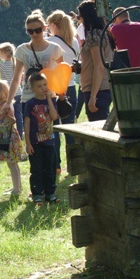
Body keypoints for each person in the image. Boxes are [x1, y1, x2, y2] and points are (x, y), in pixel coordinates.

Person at [4, 10, 64, 130]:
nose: (34, 34)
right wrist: (9, 102)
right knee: (31, 135)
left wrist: (61, 94)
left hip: (48, 97)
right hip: (28, 97)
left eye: (38, 30)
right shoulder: (22, 50)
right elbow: (16, 79)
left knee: (52, 135)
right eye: (30, 31)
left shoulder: (54, 48)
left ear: (44, 28)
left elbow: (62, 74)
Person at [46, 10, 80, 173]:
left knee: (54, 129)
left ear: (53, 25)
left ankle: (56, 164)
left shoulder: (48, 42)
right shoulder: (74, 41)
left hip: (52, 89)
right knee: (70, 127)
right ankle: (75, 163)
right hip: (71, 87)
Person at [24, 73, 59, 205]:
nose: (43, 88)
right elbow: (27, 124)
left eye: (45, 85)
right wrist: (28, 143)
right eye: (39, 86)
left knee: (50, 168)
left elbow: (54, 117)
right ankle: (37, 193)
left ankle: (50, 193)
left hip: (49, 141)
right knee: (37, 169)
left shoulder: (51, 101)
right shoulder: (30, 104)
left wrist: (49, 99)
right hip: (35, 142)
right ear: (32, 89)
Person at [77, 0, 113, 121]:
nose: (78, 19)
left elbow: (99, 65)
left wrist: (93, 97)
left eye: (79, 16)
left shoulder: (94, 35)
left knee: (98, 128)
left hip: (97, 89)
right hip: (103, 87)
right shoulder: (105, 32)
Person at [0, 80, 26, 196]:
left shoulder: (5, 106)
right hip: (6, 135)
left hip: (9, 136)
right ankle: (17, 186)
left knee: (12, 163)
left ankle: (17, 188)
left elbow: (13, 120)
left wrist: (6, 114)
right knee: (13, 163)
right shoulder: (3, 105)